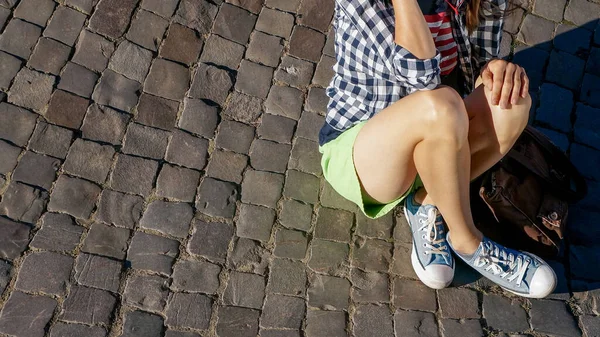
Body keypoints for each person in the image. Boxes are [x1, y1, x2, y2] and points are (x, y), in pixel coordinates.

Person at [319, 0, 557, 298]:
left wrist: (497, 70)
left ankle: (427, 201)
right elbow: (421, 80)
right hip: (368, 152)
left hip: (442, 140)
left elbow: (479, 66)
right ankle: (468, 241)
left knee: (513, 104)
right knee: (439, 105)